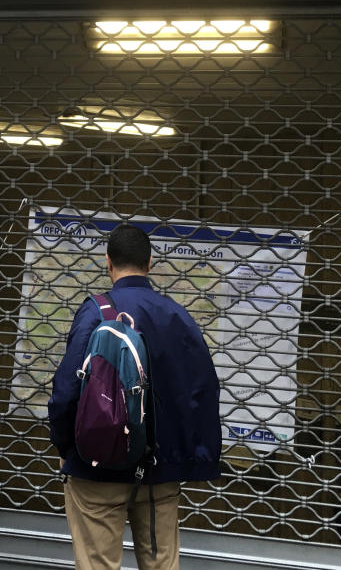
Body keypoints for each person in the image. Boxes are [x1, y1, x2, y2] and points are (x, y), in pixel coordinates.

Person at [48, 224, 222, 570]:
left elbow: (66, 393)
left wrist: (66, 448)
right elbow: (203, 389)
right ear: (151, 263)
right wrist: (187, 459)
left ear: (108, 263)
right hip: (160, 474)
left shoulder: (95, 312)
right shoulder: (177, 315)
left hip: (97, 468)